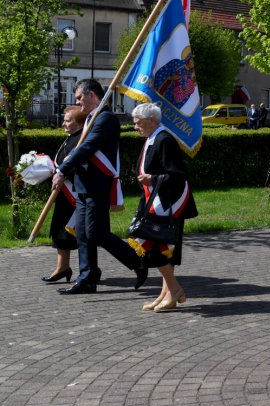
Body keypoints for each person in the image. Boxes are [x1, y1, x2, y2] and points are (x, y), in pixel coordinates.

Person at [53, 80, 146, 294]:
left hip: (98, 185)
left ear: (92, 95)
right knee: (84, 234)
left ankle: (137, 261)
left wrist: (62, 169)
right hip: (84, 185)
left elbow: (88, 146)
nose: (77, 102)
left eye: (79, 98)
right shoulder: (91, 119)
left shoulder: (106, 119)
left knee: (97, 232)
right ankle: (87, 278)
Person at [127, 103, 199, 311]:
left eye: (138, 123)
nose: (135, 127)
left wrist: (153, 178)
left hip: (168, 205)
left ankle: (174, 290)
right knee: (163, 251)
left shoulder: (164, 140)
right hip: (154, 202)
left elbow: (178, 175)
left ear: (151, 121)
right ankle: (165, 294)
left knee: (157, 250)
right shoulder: (153, 138)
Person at [43, 106, 84, 283]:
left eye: (68, 120)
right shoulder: (70, 139)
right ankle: (62, 267)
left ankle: (89, 269)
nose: (64, 124)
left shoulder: (80, 140)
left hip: (74, 194)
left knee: (79, 233)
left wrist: (64, 173)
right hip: (63, 193)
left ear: (79, 122)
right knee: (60, 231)